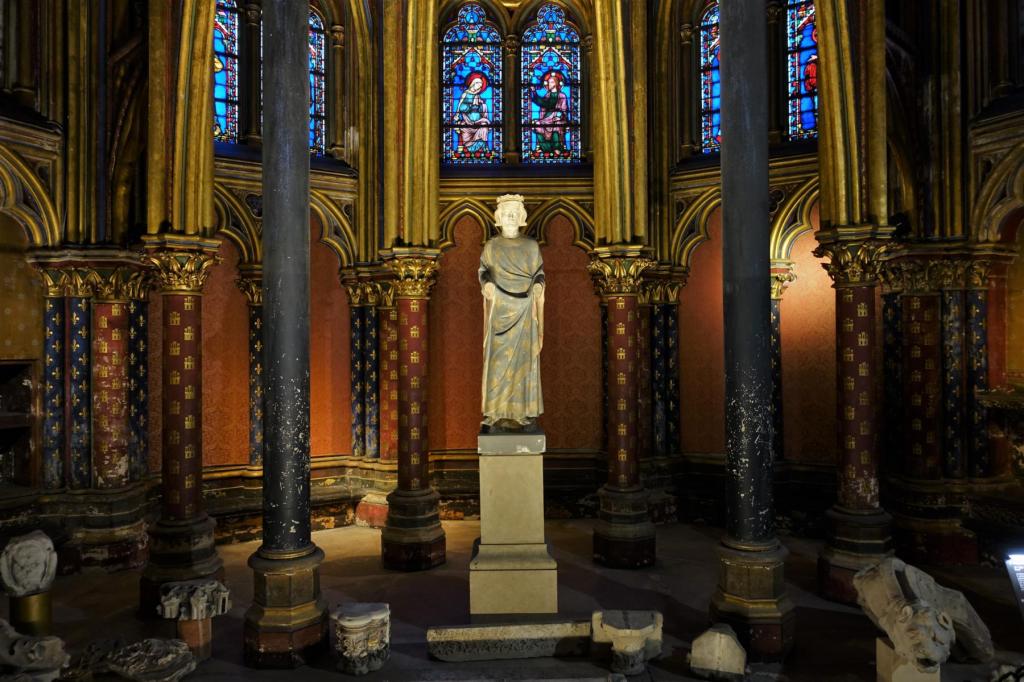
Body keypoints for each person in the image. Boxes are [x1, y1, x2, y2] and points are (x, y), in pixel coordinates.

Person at [479, 195, 545, 431]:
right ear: (498, 218)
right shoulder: (492, 246)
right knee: (497, 364)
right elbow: (483, 271)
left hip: (525, 310)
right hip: (500, 312)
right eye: (506, 214)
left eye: (514, 214)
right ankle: (496, 413)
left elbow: (539, 273)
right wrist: (486, 284)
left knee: (524, 363)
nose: (510, 217)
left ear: (521, 218)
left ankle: (521, 413)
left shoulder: (530, 246)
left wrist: (538, 285)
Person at [531, 71, 568, 155]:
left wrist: (560, 116)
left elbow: (564, 109)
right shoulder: (547, 95)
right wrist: (534, 92)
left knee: (556, 125)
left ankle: (557, 148)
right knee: (537, 124)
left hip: (557, 118)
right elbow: (543, 103)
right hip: (546, 118)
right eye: (548, 82)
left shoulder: (562, 96)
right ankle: (545, 148)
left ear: (556, 83)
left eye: (551, 82)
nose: (549, 84)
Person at [456, 72, 491, 154]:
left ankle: (483, 147)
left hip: (478, 120)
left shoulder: (477, 96)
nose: (479, 87)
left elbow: (481, 108)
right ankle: (470, 148)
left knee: (484, 126)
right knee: (464, 127)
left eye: (481, 85)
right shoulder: (465, 94)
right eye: (478, 84)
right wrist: (470, 107)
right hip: (468, 121)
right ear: (473, 83)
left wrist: (482, 105)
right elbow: (461, 107)